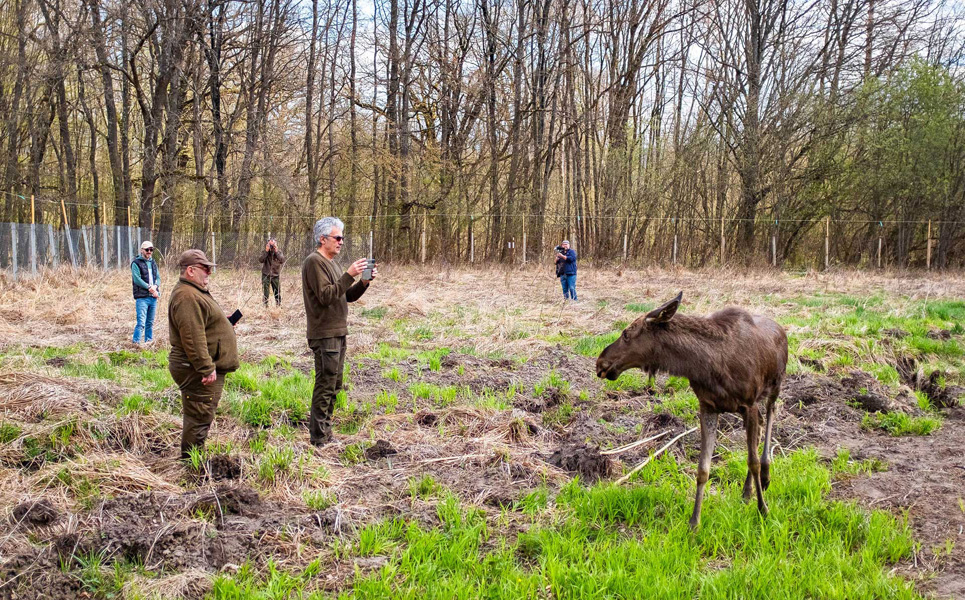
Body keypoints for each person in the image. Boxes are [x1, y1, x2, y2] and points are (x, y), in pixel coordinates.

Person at [301, 217, 377, 447]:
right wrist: (349, 274)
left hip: (338, 332)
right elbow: (325, 296)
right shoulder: (314, 262)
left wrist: (363, 282)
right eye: (337, 237)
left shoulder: (332, 263)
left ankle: (326, 432)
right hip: (324, 333)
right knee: (325, 384)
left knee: (334, 385)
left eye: (342, 237)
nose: (341, 242)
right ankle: (319, 439)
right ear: (323, 239)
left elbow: (346, 296)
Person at [168, 249, 239, 459]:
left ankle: (193, 459)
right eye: (205, 269)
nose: (209, 272)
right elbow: (191, 336)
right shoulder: (187, 296)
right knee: (199, 416)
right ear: (190, 270)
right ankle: (191, 464)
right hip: (196, 370)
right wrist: (206, 368)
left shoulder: (192, 292)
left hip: (201, 366)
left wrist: (221, 323)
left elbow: (200, 323)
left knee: (201, 415)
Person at [131, 240, 160, 344]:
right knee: (141, 323)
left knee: (150, 323)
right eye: (147, 249)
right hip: (142, 297)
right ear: (142, 250)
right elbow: (137, 279)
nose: (149, 251)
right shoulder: (136, 263)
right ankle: (135, 344)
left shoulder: (153, 262)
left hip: (153, 297)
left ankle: (149, 343)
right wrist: (149, 287)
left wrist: (156, 286)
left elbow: (158, 277)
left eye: (151, 249)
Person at [259, 238, 286, 307]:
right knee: (266, 291)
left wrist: (276, 251)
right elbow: (261, 260)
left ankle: (278, 305)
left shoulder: (279, 252)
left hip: (275, 275)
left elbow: (282, 260)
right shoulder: (265, 252)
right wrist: (266, 251)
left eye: (273, 245)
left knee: (277, 291)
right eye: (270, 244)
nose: (272, 246)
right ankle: (265, 305)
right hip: (266, 274)